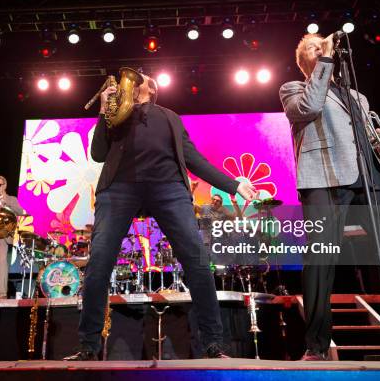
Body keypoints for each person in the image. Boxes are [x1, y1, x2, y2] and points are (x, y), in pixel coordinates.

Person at [63, 71, 257, 360]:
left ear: (151, 89)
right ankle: (88, 347)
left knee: (197, 261)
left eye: (137, 77)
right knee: (100, 262)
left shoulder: (169, 117)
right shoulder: (117, 114)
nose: (127, 80)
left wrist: (234, 184)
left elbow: (194, 159)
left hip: (168, 188)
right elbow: (99, 154)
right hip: (119, 188)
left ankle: (214, 344)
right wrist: (104, 110)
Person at [279, 32, 380, 360]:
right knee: (321, 258)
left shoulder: (357, 96)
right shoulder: (294, 89)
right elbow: (310, 107)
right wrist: (325, 61)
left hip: (371, 177)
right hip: (324, 179)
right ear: (308, 63)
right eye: (318, 51)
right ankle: (316, 346)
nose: (326, 52)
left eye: (325, 49)